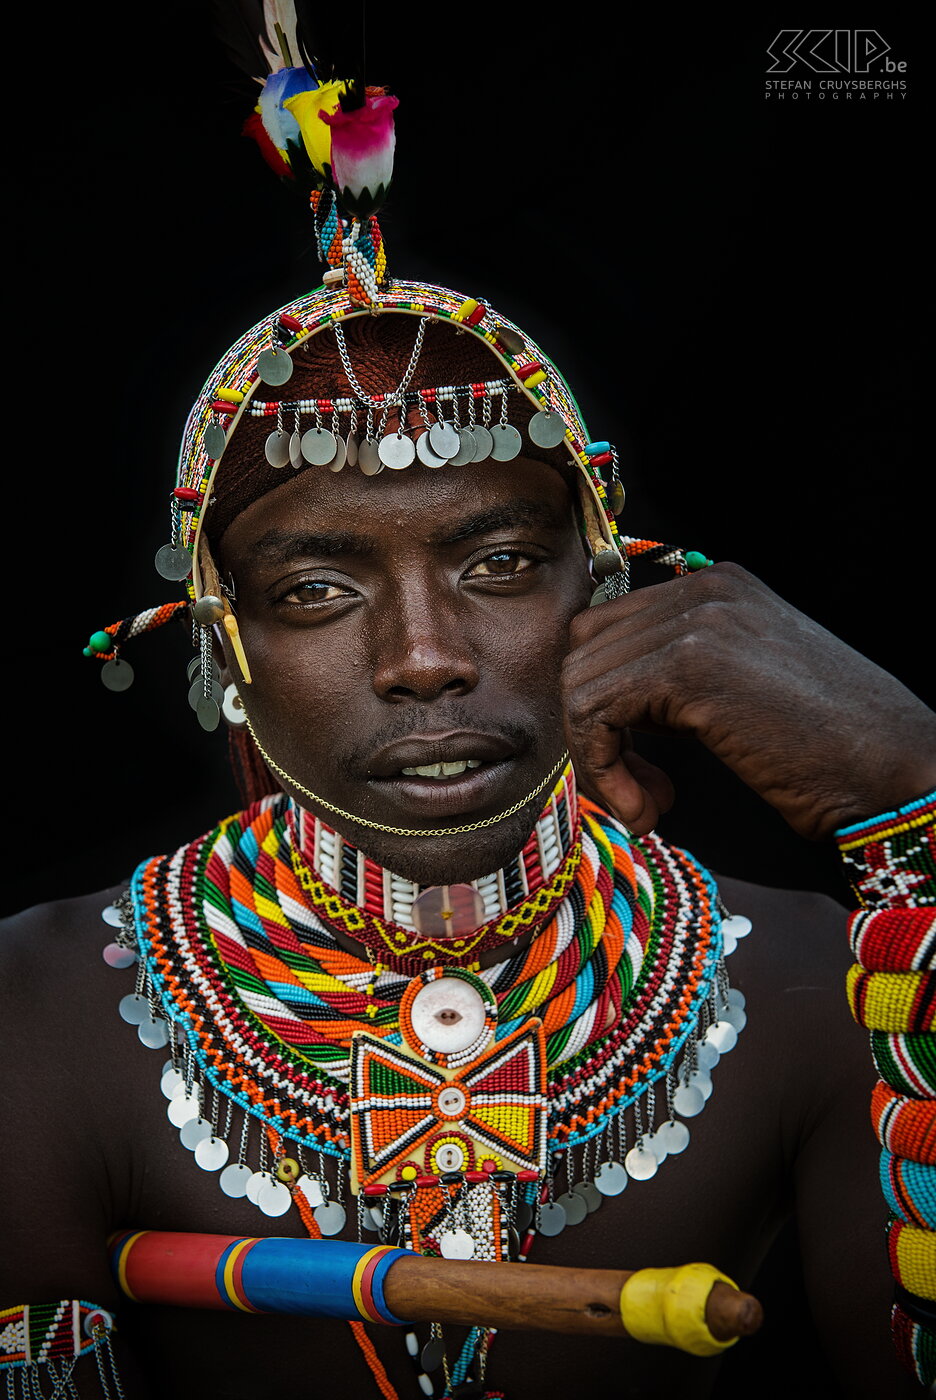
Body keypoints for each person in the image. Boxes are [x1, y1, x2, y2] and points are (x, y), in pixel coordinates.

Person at [1, 14, 933, 1399]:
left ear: (606, 586)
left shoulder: (814, 987)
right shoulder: (38, 1010)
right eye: (316, 591)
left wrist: (914, 805)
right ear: (223, 642)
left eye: (499, 566)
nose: (425, 657)